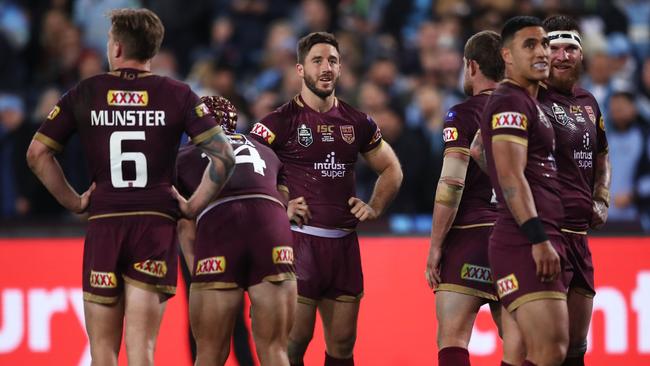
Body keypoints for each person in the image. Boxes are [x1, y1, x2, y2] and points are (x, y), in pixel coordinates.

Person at [26, 9, 234, 366]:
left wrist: (75, 202)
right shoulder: (178, 94)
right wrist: (191, 205)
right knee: (142, 353)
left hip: (105, 223)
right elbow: (224, 156)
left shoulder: (87, 91)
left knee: (103, 352)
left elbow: (37, 154)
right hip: (154, 226)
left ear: (118, 47)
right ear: (151, 51)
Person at [249, 32, 403, 366]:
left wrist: (375, 205)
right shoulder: (279, 121)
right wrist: (280, 205)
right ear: (300, 69)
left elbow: (391, 169)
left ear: (341, 68)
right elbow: (251, 171)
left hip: (344, 246)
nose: (326, 67)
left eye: (332, 60)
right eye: (317, 60)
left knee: (344, 345)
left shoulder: (357, 122)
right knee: (294, 342)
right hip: (299, 244)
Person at [175, 96, 299, 366]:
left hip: (222, 227)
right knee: (275, 350)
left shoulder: (183, 156)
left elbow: (185, 227)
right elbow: (283, 200)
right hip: (272, 229)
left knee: (209, 353)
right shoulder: (266, 150)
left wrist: (199, 276)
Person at [476, 16, 569, 366]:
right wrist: (537, 238)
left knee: (520, 353)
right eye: (529, 45)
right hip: (525, 238)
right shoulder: (511, 101)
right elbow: (512, 177)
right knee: (551, 349)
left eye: (544, 43)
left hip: (535, 232)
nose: (542, 51)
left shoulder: (528, 102)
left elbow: (481, 152)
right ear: (507, 56)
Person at [424, 30, 509, 366]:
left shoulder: (462, 114)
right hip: (512, 235)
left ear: (471, 66)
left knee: (453, 339)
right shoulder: (527, 114)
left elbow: (451, 184)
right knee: (518, 347)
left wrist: (435, 245)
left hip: (468, 236)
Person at [539, 15, 611, 366]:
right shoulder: (529, 95)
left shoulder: (589, 101)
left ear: (582, 56)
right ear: (542, 52)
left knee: (576, 349)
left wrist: (602, 197)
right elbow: (485, 148)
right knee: (544, 348)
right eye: (554, 48)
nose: (562, 56)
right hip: (545, 234)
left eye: (570, 49)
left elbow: (602, 153)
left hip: (579, 236)